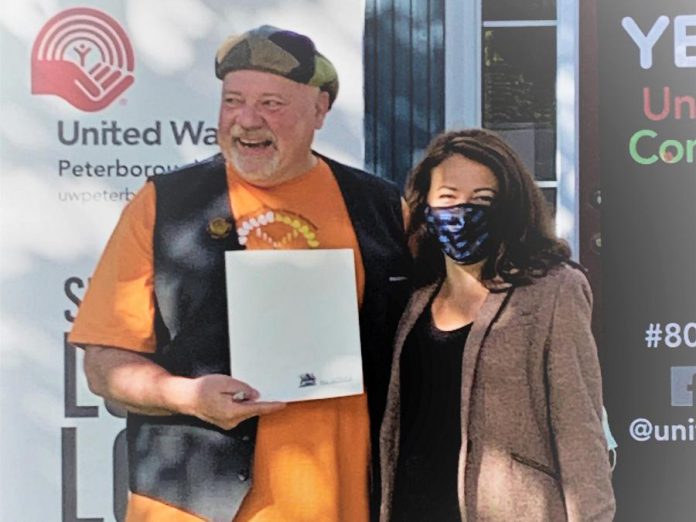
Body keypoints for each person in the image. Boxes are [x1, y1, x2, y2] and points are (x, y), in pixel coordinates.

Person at [69, 25, 411, 522]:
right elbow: (103, 364)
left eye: (272, 103)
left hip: (344, 503)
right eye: (233, 101)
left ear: (319, 110)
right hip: (189, 509)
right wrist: (185, 396)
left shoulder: (382, 208)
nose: (247, 121)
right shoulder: (165, 204)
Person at [379, 129, 615, 521]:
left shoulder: (553, 291)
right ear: (425, 205)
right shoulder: (413, 300)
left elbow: (579, 430)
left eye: (482, 200)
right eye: (448, 197)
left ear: (509, 208)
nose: (462, 211)